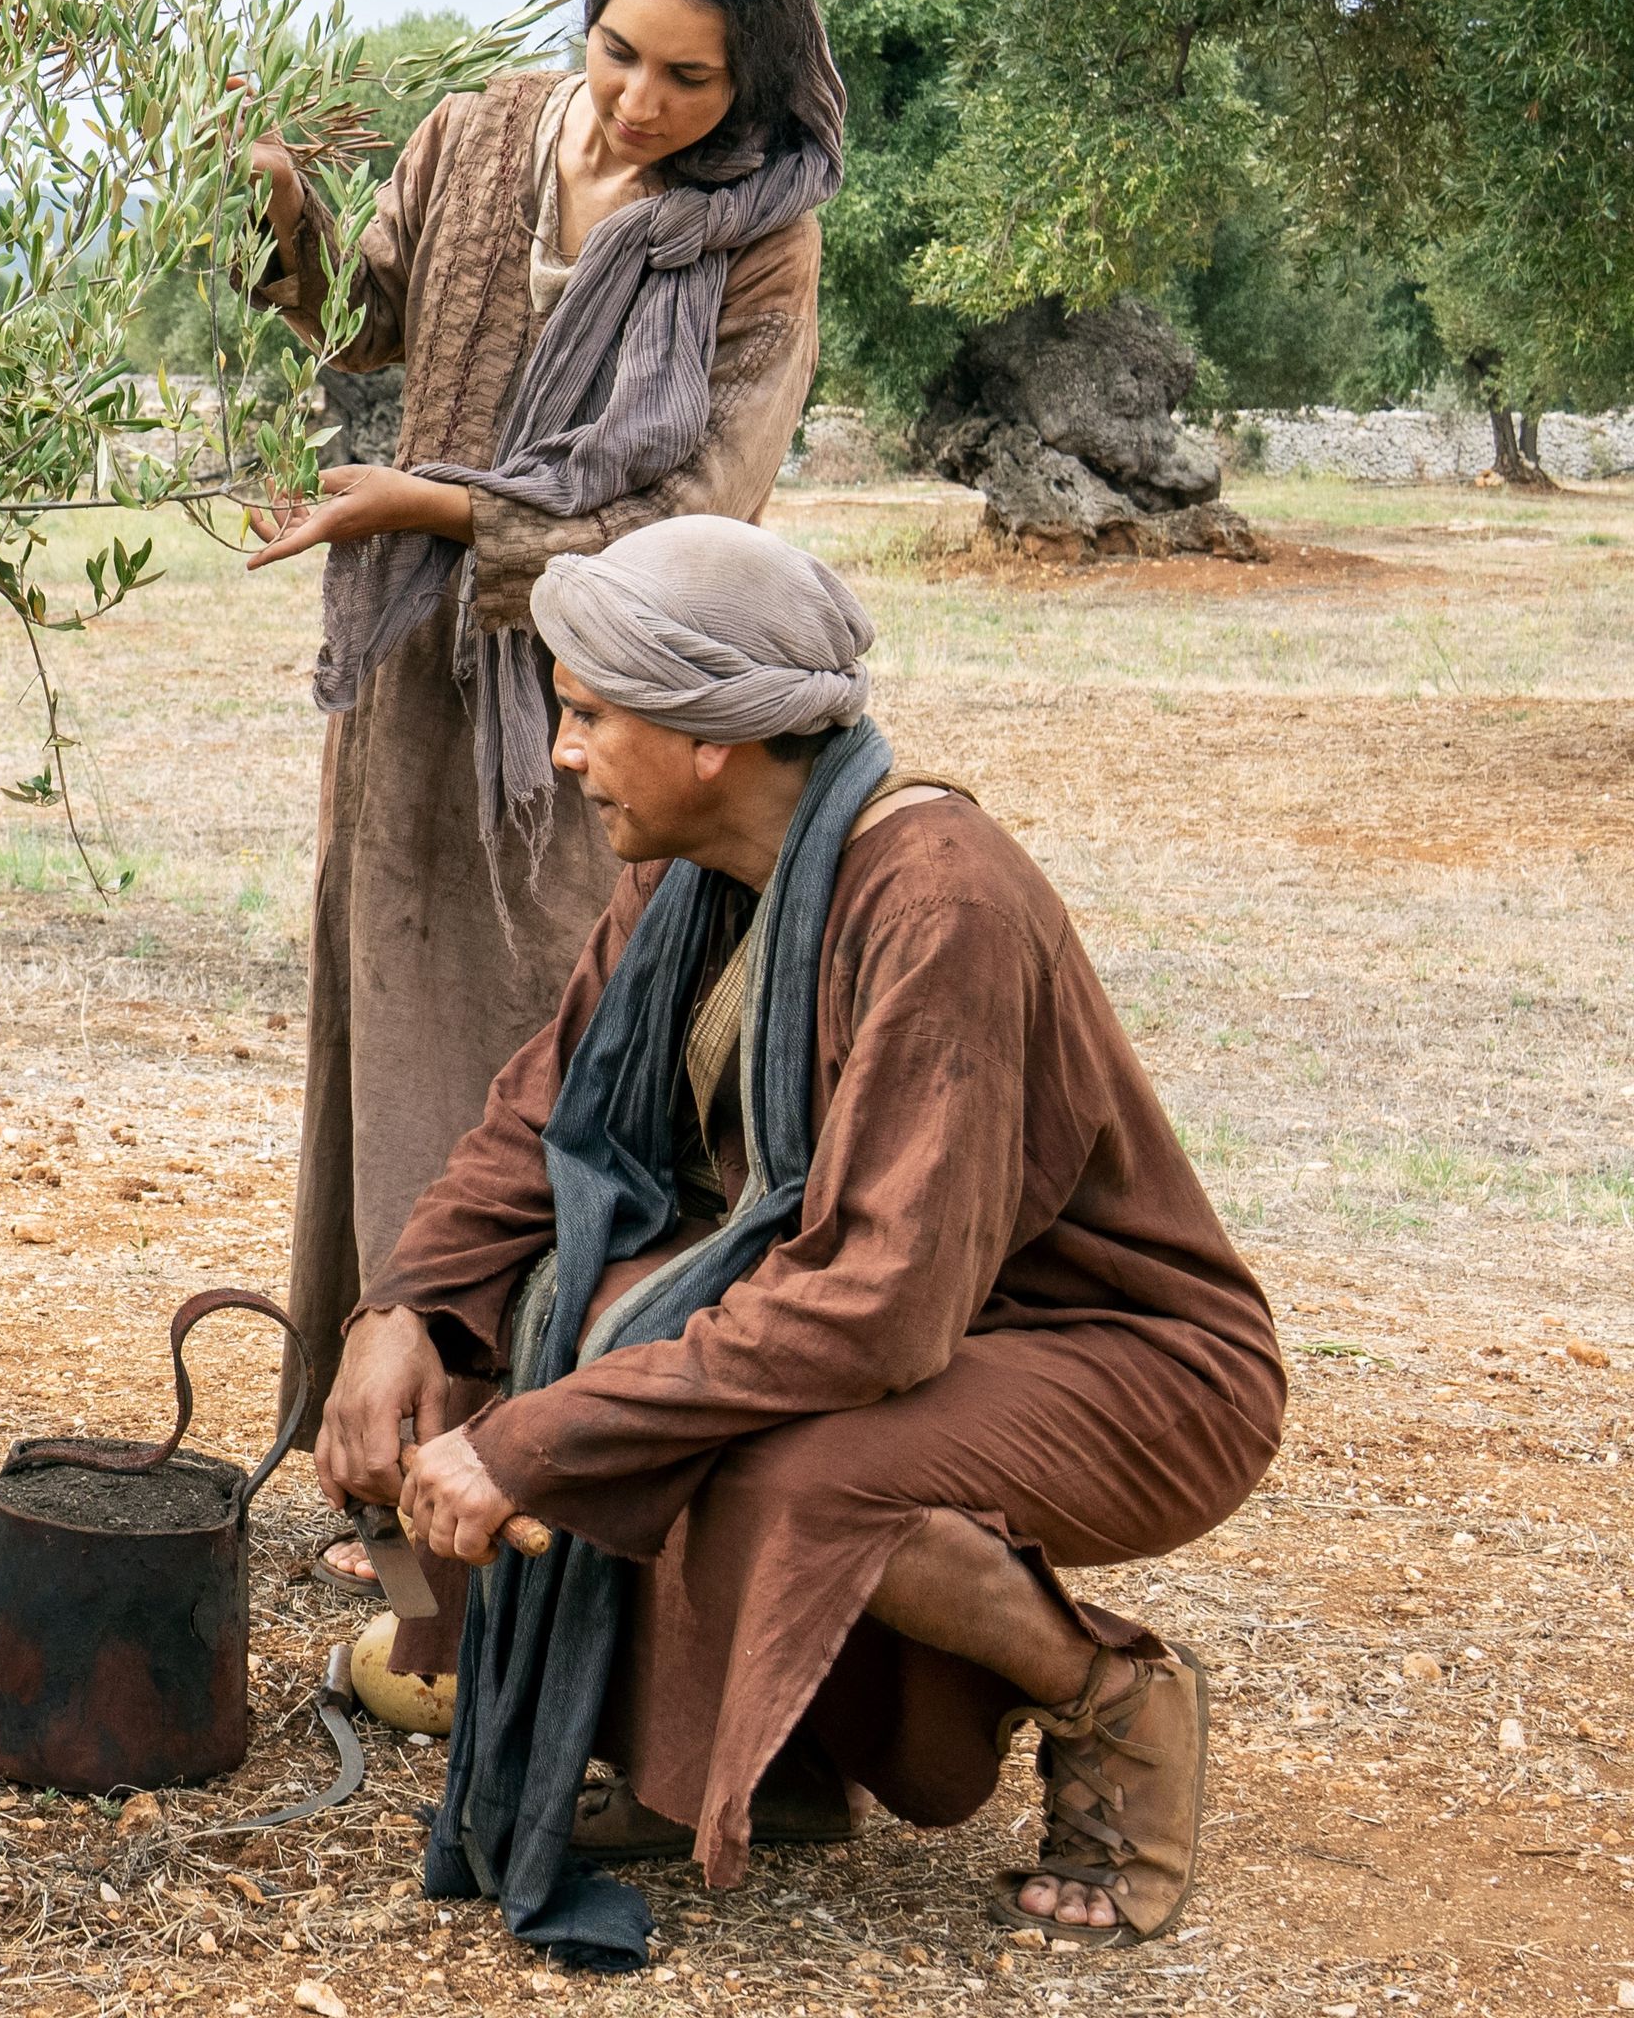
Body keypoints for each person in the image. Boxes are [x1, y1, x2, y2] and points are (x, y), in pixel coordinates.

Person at [316, 516, 1283, 1971]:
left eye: (587, 716)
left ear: (711, 739)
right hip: (932, 1328)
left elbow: (878, 1311)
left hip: (1127, 1362)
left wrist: (542, 1441)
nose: (563, 754)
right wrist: (401, 1312)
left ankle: (1111, 1699)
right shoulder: (688, 875)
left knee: (772, 1459)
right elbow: (544, 1123)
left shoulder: (938, 900)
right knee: (530, 1319)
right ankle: (777, 1763)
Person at [237, 0, 847, 1585]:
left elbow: (702, 506)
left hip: (610, 709)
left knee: (559, 1069)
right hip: (417, 695)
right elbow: (357, 338)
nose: (643, 105)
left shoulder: (762, 236)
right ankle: (382, 1476)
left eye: (692, 82)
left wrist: (436, 506)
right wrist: (285, 215)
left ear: (760, 84)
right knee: (396, 1056)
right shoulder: (469, 140)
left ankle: (531, 1466)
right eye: (620, 55)